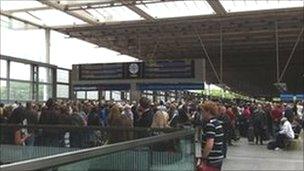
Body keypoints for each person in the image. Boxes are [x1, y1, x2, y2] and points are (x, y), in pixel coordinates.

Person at [199, 101, 224, 171]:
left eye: (203, 111)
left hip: (211, 159)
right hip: (218, 158)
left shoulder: (210, 125)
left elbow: (209, 144)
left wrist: (203, 158)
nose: (202, 113)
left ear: (208, 111)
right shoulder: (217, 122)